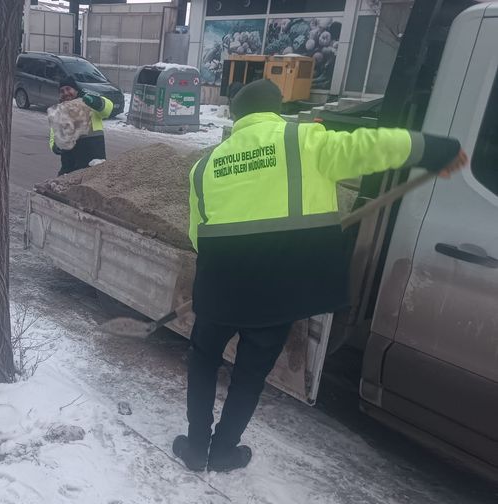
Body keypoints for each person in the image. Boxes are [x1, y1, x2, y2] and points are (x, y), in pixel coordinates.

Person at [174, 79, 468, 473]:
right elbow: (371, 146)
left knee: (203, 362)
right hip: (278, 293)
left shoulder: (204, 167)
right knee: (249, 375)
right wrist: (434, 150)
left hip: (219, 289)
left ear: (235, 115)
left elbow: (198, 237)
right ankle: (224, 450)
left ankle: (196, 447)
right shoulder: (305, 141)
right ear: (277, 108)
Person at [50, 78, 114, 175]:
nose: (65, 93)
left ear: (76, 90)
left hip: (93, 164)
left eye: (68, 89)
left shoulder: (89, 103)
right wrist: (56, 146)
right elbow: (53, 136)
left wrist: (95, 101)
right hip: (69, 167)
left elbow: (108, 109)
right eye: (62, 91)